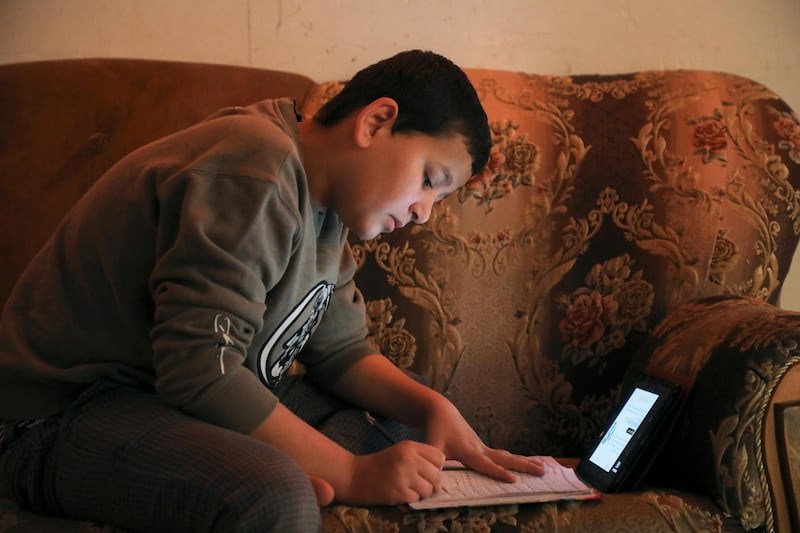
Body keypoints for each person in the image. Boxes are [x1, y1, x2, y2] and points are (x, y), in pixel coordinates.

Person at [0, 50, 544, 532]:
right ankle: (264, 478)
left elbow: (340, 352)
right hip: (60, 415)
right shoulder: (256, 165)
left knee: (405, 423)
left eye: (439, 199)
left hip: (165, 397)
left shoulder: (331, 213)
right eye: (430, 178)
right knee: (272, 495)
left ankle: (261, 467)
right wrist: (351, 471)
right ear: (376, 121)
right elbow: (199, 369)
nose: (424, 212)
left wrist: (432, 406)